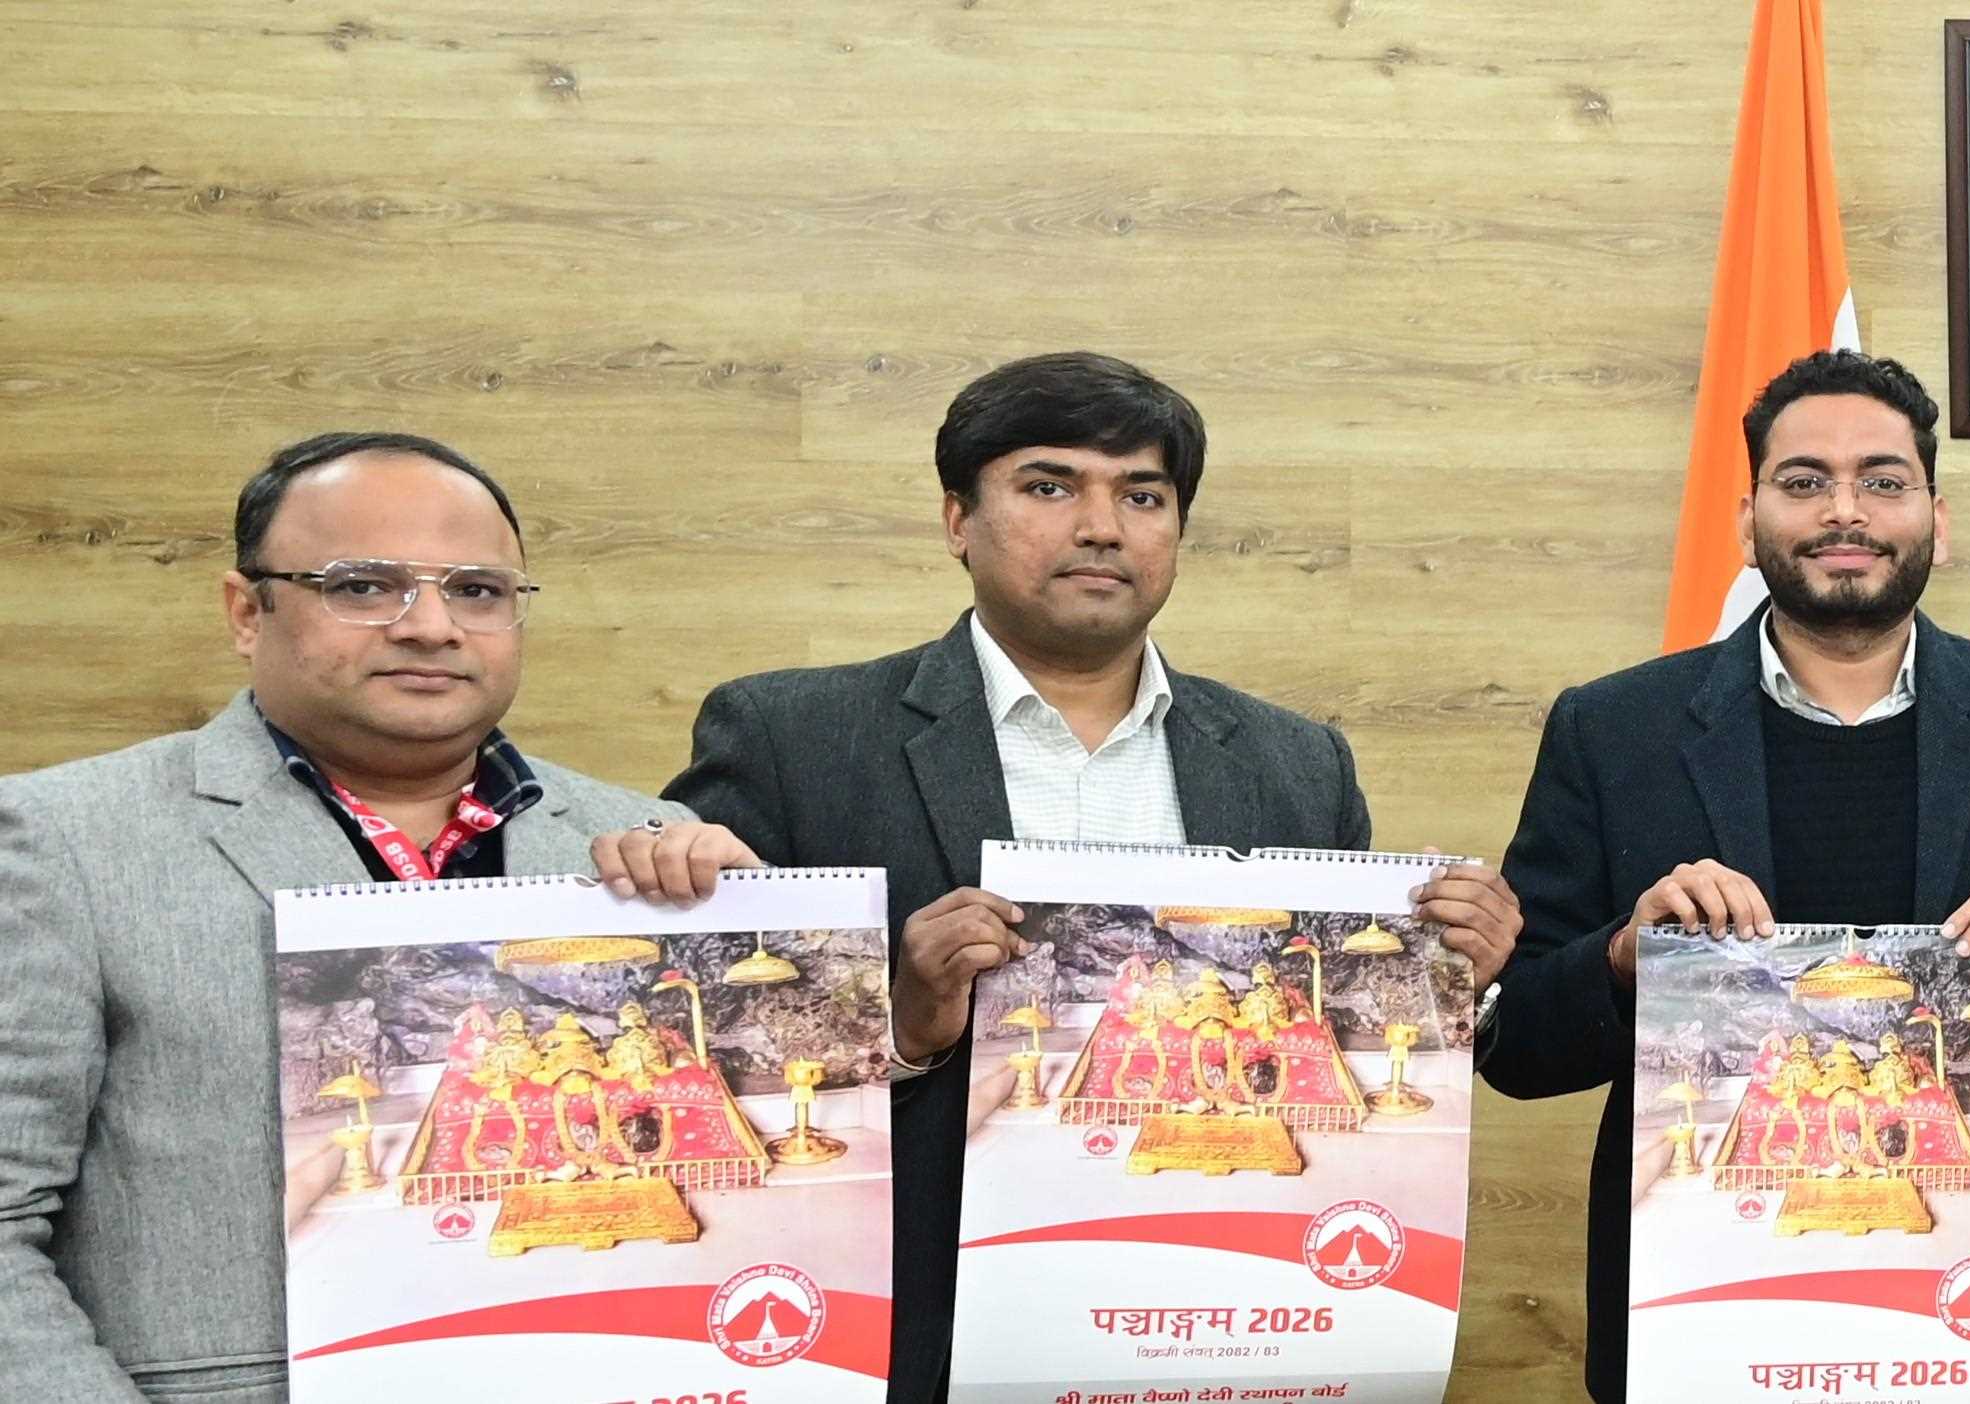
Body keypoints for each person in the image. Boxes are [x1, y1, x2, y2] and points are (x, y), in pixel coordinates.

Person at [653, 352, 1509, 1403]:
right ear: (958, 520)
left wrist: (1457, 978)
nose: (1102, 526)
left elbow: (1331, 1024)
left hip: (1221, 1305)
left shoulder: (1295, 761)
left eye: (1142, 496)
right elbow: (701, 1044)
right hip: (908, 1328)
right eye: (1050, 486)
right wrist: (906, 1024)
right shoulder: (793, 735)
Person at [1471, 348, 1970, 1402]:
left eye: (1883, 480)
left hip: (1967, 1311)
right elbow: (1515, 1051)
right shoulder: (1614, 728)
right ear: (1748, 520)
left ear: (1937, 522)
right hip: (1696, 1312)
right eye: (1804, 480)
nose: (1844, 510)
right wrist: (1624, 957)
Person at [0, 432, 759, 1403]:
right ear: (247, 611)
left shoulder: (646, 844)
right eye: (364, 586)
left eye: (476, 590)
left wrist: (749, 924)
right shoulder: (64, 841)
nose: (430, 626)